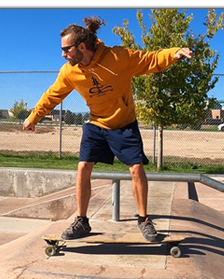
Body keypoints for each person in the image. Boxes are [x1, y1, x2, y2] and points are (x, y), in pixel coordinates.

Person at [23, 16, 193, 241]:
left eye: (66, 49)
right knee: (83, 166)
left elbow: (149, 59)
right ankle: (81, 221)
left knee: (136, 168)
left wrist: (174, 52)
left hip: (124, 124)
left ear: (81, 47)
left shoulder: (117, 57)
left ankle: (143, 220)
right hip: (96, 124)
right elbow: (53, 95)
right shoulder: (69, 72)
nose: (63, 54)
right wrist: (34, 117)